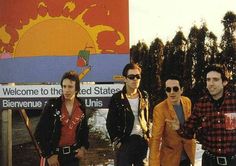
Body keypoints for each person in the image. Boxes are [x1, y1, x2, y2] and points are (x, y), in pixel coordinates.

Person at [167, 64, 236, 166]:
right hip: (209, 161)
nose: (211, 83)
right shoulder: (201, 104)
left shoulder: (234, 101)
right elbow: (188, 132)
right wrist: (178, 127)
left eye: (215, 79)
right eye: (208, 80)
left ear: (224, 82)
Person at [34, 70, 89, 166]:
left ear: (76, 89)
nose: (66, 90)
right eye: (64, 86)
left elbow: (84, 129)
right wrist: (49, 155)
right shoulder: (53, 105)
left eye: (70, 86)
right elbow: (39, 133)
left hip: (73, 157)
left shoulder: (81, 105)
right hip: (55, 158)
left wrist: (83, 148)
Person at [106, 63, 150, 166]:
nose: (135, 79)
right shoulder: (117, 98)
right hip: (125, 142)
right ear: (125, 79)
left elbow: (147, 117)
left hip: (142, 142)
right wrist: (118, 142)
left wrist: (147, 136)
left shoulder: (144, 95)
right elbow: (110, 123)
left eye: (137, 76)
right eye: (131, 77)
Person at [149, 75, 196, 166]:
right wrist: (154, 163)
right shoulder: (160, 109)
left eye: (175, 89)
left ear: (181, 90)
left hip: (187, 155)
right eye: (168, 89)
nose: (172, 92)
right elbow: (156, 139)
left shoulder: (187, 102)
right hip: (170, 159)